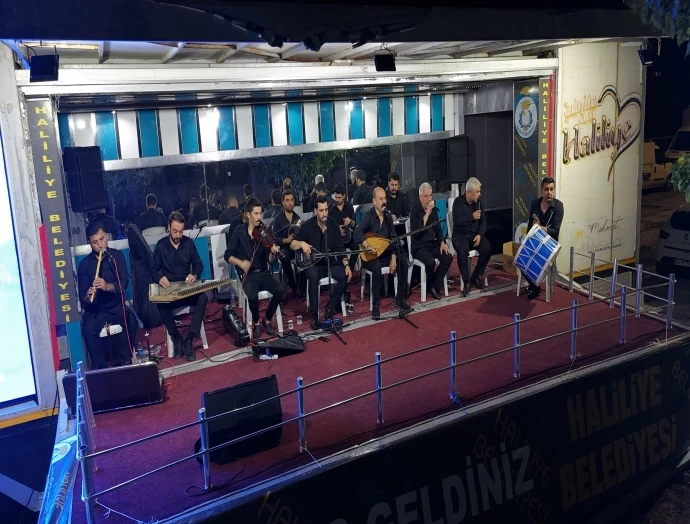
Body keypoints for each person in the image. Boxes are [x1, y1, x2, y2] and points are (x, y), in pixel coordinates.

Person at [78, 222, 137, 369]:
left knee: (131, 320)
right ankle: (101, 368)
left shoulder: (116, 256)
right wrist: (88, 296)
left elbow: (124, 284)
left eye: (102, 239)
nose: (100, 245)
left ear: (106, 237)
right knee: (87, 330)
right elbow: (83, 298)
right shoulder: (85, 265)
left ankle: (123, 360)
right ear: (90, 243)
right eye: (95, 242)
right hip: (97, 310)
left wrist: (107, 286)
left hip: (116, 306)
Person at [150, 211, 208, 361]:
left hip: (186, 290)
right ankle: (176, 338)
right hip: (170, 293)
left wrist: (194, 275)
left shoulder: (188, 243)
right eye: (175, 231)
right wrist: (159, 278)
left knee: (203, 298)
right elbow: (153, 270)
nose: (178, 235)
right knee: (160, 305)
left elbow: (198, 264)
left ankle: (189, 339)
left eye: (181, 231)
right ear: (169, 227)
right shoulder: (161, 245)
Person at [225, 197, 284, 339]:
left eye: (260, 213)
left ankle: (267, 319)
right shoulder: (239, 231)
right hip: (249, 275)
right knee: (252, 296)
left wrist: (272, 252)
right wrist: (241, 263)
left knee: (280, 290)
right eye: (256, 214)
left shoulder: (264, 232)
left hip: (263, 272)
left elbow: (270, 261)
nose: (259, 217)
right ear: (248, 214)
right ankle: (256, 322)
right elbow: (228, 255)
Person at [291, 196, 352, 330]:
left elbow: (340, 247)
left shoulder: (332, 224)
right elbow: (292, 244)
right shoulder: (308, 225)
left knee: (345, 276)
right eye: (321, 210)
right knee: (313, 277)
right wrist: (302, 244)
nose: (324, 213)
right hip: (314, 264)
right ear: (315, 211)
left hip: (330, 262)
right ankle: (315, 316)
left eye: (326, 210)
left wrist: (346, 264)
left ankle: (331, 306)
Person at [354, 187, 413, 320]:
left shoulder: (388, 217)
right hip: (370, 256)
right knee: (376, 267)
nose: (384, 201)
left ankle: (400, 298)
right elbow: (357, 232)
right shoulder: (369, 216)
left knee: (403, 261)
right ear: (374, 201)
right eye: (381, 199)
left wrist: (393, 257)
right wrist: (368, 246)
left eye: (385, 198)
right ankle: (375, 305)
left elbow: (392, 239)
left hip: (385, 253)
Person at [410, 183, 453, 300]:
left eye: (430, 196)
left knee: (448, 257)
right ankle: (431, 286)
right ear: (420, 197)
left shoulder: (434, 210)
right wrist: (427, 213)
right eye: (426, 196)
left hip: (431, 244)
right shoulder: (415, 211)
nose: (429, 199)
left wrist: (442, 243)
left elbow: (438, 229)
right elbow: (417, 231)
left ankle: (434, 285)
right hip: (418, 247)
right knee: (430, 262)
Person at [524, 177, 564, 300]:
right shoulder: (535, 204)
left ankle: (534, 286)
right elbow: (530, 224)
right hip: (536, 241)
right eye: (546, 189)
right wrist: (527, 239)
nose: (549, 192)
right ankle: (534, 286)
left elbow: (555, 230)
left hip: (550, 245)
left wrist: (540, 228)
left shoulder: (558, 206)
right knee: (521, 259)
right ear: (542, 190)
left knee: (537, 260)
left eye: (551, 189)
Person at [451, 177, 491, 297]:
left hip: (474, 235)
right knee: (462, 250)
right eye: (477, 192)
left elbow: (484, 222)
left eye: (479, 191)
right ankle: (466, 281)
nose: (480, 194)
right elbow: (457, 221)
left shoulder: (478, 203)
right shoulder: (458, 202)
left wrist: (480, 235)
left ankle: (475, 275)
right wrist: (471, 216)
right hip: (461, 235)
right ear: (469, 192)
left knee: (487, 249)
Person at [271, 189, 302, 297]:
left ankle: (302, 286)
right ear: (282, 202)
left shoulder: (297, 218)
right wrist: (286, 240)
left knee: (305, 256)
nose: (290, 203)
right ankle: (293, 285)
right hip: (284, 247)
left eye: (292, 200)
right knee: (284, 258)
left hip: (296, 246)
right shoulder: (277, 219)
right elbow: (274, 239)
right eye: (287, 200)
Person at [330, 183, 359, 268]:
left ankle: (350, 268)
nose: (337, 199)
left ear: (344, 196)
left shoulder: (349, 206)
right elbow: (328, 226)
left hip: (348, 237)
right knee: (341, 252)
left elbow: (354, 224)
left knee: (356, 247)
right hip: (337, 239)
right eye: (335, 197)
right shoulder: (331, 208)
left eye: (339, 197)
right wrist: (337, 229)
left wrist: (350, 222)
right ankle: (343, 269)